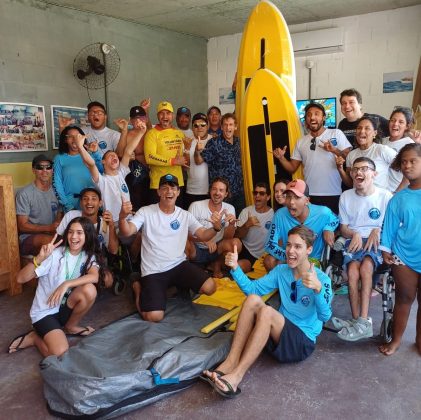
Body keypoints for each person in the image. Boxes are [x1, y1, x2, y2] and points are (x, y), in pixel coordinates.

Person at [201, 226, 332, 398]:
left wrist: (318, 290)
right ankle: (230, 362)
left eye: (298, 247)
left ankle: (236, 377)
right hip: (277, 336)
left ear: (309, 249)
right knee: (253, 299)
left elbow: (325, 317)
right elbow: (252, 290)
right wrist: (235, 268)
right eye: (288, 245)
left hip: (301, 343)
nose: (291, 251)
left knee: (267, 312)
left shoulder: (321, 279)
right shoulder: (281, 271)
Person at [118, 174, 222, 322]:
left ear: (178, 192)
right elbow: (127, 231)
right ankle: (138, 286)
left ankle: (176, 286)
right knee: (154, 317)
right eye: (164, 188)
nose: (169, 192)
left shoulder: (184, 215)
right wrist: (122, 217)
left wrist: (216, 228)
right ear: (158, 192)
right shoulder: (146, 212)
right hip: (154, 270)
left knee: (210, 287)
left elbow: (204, 235)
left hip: (178, 265)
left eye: (173, 188)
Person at [8, 217, 103, 356]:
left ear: (87, 236)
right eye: (70, 232)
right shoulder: (54, 254)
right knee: (60, 353)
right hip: (45, 313)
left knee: (89, 289)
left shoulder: (88, 256)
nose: (74, 237)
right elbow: (20, 278)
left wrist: (66, 284)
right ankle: (35, 338)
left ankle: (70, 327)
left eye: (79, 232)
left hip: (64, 307)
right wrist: (39, 259)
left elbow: (94, 276)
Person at [332, 157, 392, 341]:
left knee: (366, 267)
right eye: (355, 169)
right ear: (351, 174)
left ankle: (363, 321)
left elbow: (392, 225)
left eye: (364, 169)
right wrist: (353, 233)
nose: (359, 172)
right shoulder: (346, 196)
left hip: (376, 241)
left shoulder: (385, 196)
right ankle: (357, 320)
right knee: (351, 271)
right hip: (355, 240)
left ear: (374, 174)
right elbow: (343, 228)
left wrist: (378, 230)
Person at [379, 143, 421, 355]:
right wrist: (385, 249)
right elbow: (390, 227)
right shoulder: (398, 198)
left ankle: (419, 342)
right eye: (404, 162)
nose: (407, 165)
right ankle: (395, 341)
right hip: (403, 255)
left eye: (413, 161)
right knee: (404, 298)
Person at [274, 103, 351, 214]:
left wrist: (334, 150)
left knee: (331, 229)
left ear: (323, 117)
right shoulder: (301, 141)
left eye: (316, 114)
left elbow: (348, 157)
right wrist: (281, 158)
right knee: (310, 230)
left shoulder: (336, 133)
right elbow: (292, 168)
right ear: (306, 120)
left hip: (333, 193)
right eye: (309, 115)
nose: (312, 117)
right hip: (308, 196)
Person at [76, 117, 146, 222]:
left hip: (129, 218)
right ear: (103, 162)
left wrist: (141, 133)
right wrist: (80, 147)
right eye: (110, 156)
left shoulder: (121, 172)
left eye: (115, 156)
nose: (114, 157)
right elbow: (91, 164)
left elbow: (128, 151)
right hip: (112, 222)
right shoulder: (102, 180)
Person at [264, 179, 338, 271]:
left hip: (312, 260)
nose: (291, 202)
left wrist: (328, 228)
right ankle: (280, 285)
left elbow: (336, 219)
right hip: (288, 256)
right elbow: (269, 244)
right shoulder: (280, 215)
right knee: (269, 260)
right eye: (288, 197)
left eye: (297, 197)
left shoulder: (322, 212)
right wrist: (289, 255)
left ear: (306, 200)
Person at [56, 187, 118, 288]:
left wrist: (111, 226)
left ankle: (84, 285)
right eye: (85, 199)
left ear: (100, 203)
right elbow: (58, 239)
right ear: (80, 203)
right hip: (69, 257)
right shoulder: (71, 216)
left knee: (108, 280)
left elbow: (114, 250)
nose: (89, 202)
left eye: (94, 199)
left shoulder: (104, 224)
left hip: (91, 261)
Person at [188, 177, 239, 278]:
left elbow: (228, 238)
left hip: (216, 250)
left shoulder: (229, 208)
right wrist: (205, 240)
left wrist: (232, 224)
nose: (217, 193)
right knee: (184, 243)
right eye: (214, 189)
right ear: (210, 191)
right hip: (196, 249)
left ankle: (216, 264)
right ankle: (186, 273)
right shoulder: (196, 206)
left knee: (236, 243)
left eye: (221, 190)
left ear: (226, 194)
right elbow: (186, 234)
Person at [337, 116, 404, 193]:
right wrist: (340, 169)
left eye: (367, 128)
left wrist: (397, 192)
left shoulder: (382, 150)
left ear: (374, 133)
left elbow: (405, 169)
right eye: (359, 128)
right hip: (358, 200)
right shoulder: (351, 155)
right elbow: (350, 183)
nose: (362, 131)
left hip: (379, 202)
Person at [196, 113, 245, 215]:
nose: (228, 128)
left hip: (239, 192)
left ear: (235, 126)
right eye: (225, 125)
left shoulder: (239, 142)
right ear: (221, 127)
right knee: (221, 225)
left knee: (238, 223)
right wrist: (197, 151)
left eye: (231, 124)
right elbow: (198, 161)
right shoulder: (214, 143)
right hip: (221, 194)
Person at [16, 154, 62, 256]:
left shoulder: (57, 191)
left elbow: (59, 215)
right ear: (34, 170)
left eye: (48, 167)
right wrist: (48, 228)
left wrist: (56, 226)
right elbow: (22, 226)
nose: (44, 171)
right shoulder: (24, 193)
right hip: (28, 237)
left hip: (52, 234)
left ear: (52, 170)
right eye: (40, 168)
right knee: (52, 243)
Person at [144, 101, 187, 205]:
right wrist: (173, 161)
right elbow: (150, 157)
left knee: (177, 217)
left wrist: (187, 151)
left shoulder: (180, 133)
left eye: (168, 113)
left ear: (173, 116)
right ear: (158, 116)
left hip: (177, 184)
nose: (165, 116)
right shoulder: (151, 134)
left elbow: (184, 158)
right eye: (161, 113)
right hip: (158, 185)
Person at [53, 125, 103, 212]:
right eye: (71, 137)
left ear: (83, 138)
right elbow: (57, 184)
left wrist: (95, 153)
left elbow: (102, 173)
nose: (75, 139)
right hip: (71, 204)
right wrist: (67, 205)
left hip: (92, 203)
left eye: (78, 136)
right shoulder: (59, 158)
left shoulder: (89, 156)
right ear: (65, 140)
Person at [236, 182, 274, 273]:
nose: (257, 196)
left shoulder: (274, 215)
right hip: (246, 251)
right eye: (255, 193)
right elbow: (237, 235)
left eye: (261, 193)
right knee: (236, 269)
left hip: (263, 255)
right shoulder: (246, 211)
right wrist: (247, 225)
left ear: (268, 197)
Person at [184, 112, 213, 209]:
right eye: (195, 125)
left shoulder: (214, 140)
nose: (199, 127)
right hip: (192, 190)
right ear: (192, 128)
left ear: (208, 126)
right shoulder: (187, 141)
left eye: (202, 125)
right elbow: (185, 166)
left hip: (211, 191)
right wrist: (186, 149)